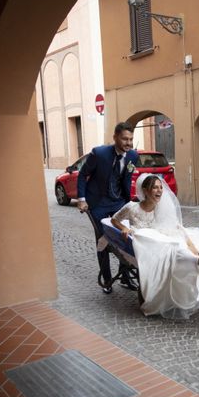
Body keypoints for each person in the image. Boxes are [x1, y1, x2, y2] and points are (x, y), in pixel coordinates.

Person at [109, 174, 199, 319]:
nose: (159, 191)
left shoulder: (161, 208)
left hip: (164, 243)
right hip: (147, 245)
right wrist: (123, 228)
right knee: (174, 247)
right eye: (154, 188)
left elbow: (175, 228)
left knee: (180, 245)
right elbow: (114, 219)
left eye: (160, 187)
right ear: (145, 190)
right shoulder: (132, 207)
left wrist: (192, 246)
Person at [77, 122, 139, 287]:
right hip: (98, 203)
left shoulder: (133, 156)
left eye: (131, 139)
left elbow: (127, 178)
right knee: (102, 240)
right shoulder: (99, 154)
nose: (128, 143)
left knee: (126, 238)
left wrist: (132, 200)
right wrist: (82, 199)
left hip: (119, 202)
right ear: (115, 138)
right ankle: (107, 279)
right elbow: (82, 175)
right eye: (125, 139)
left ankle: (125, 277)